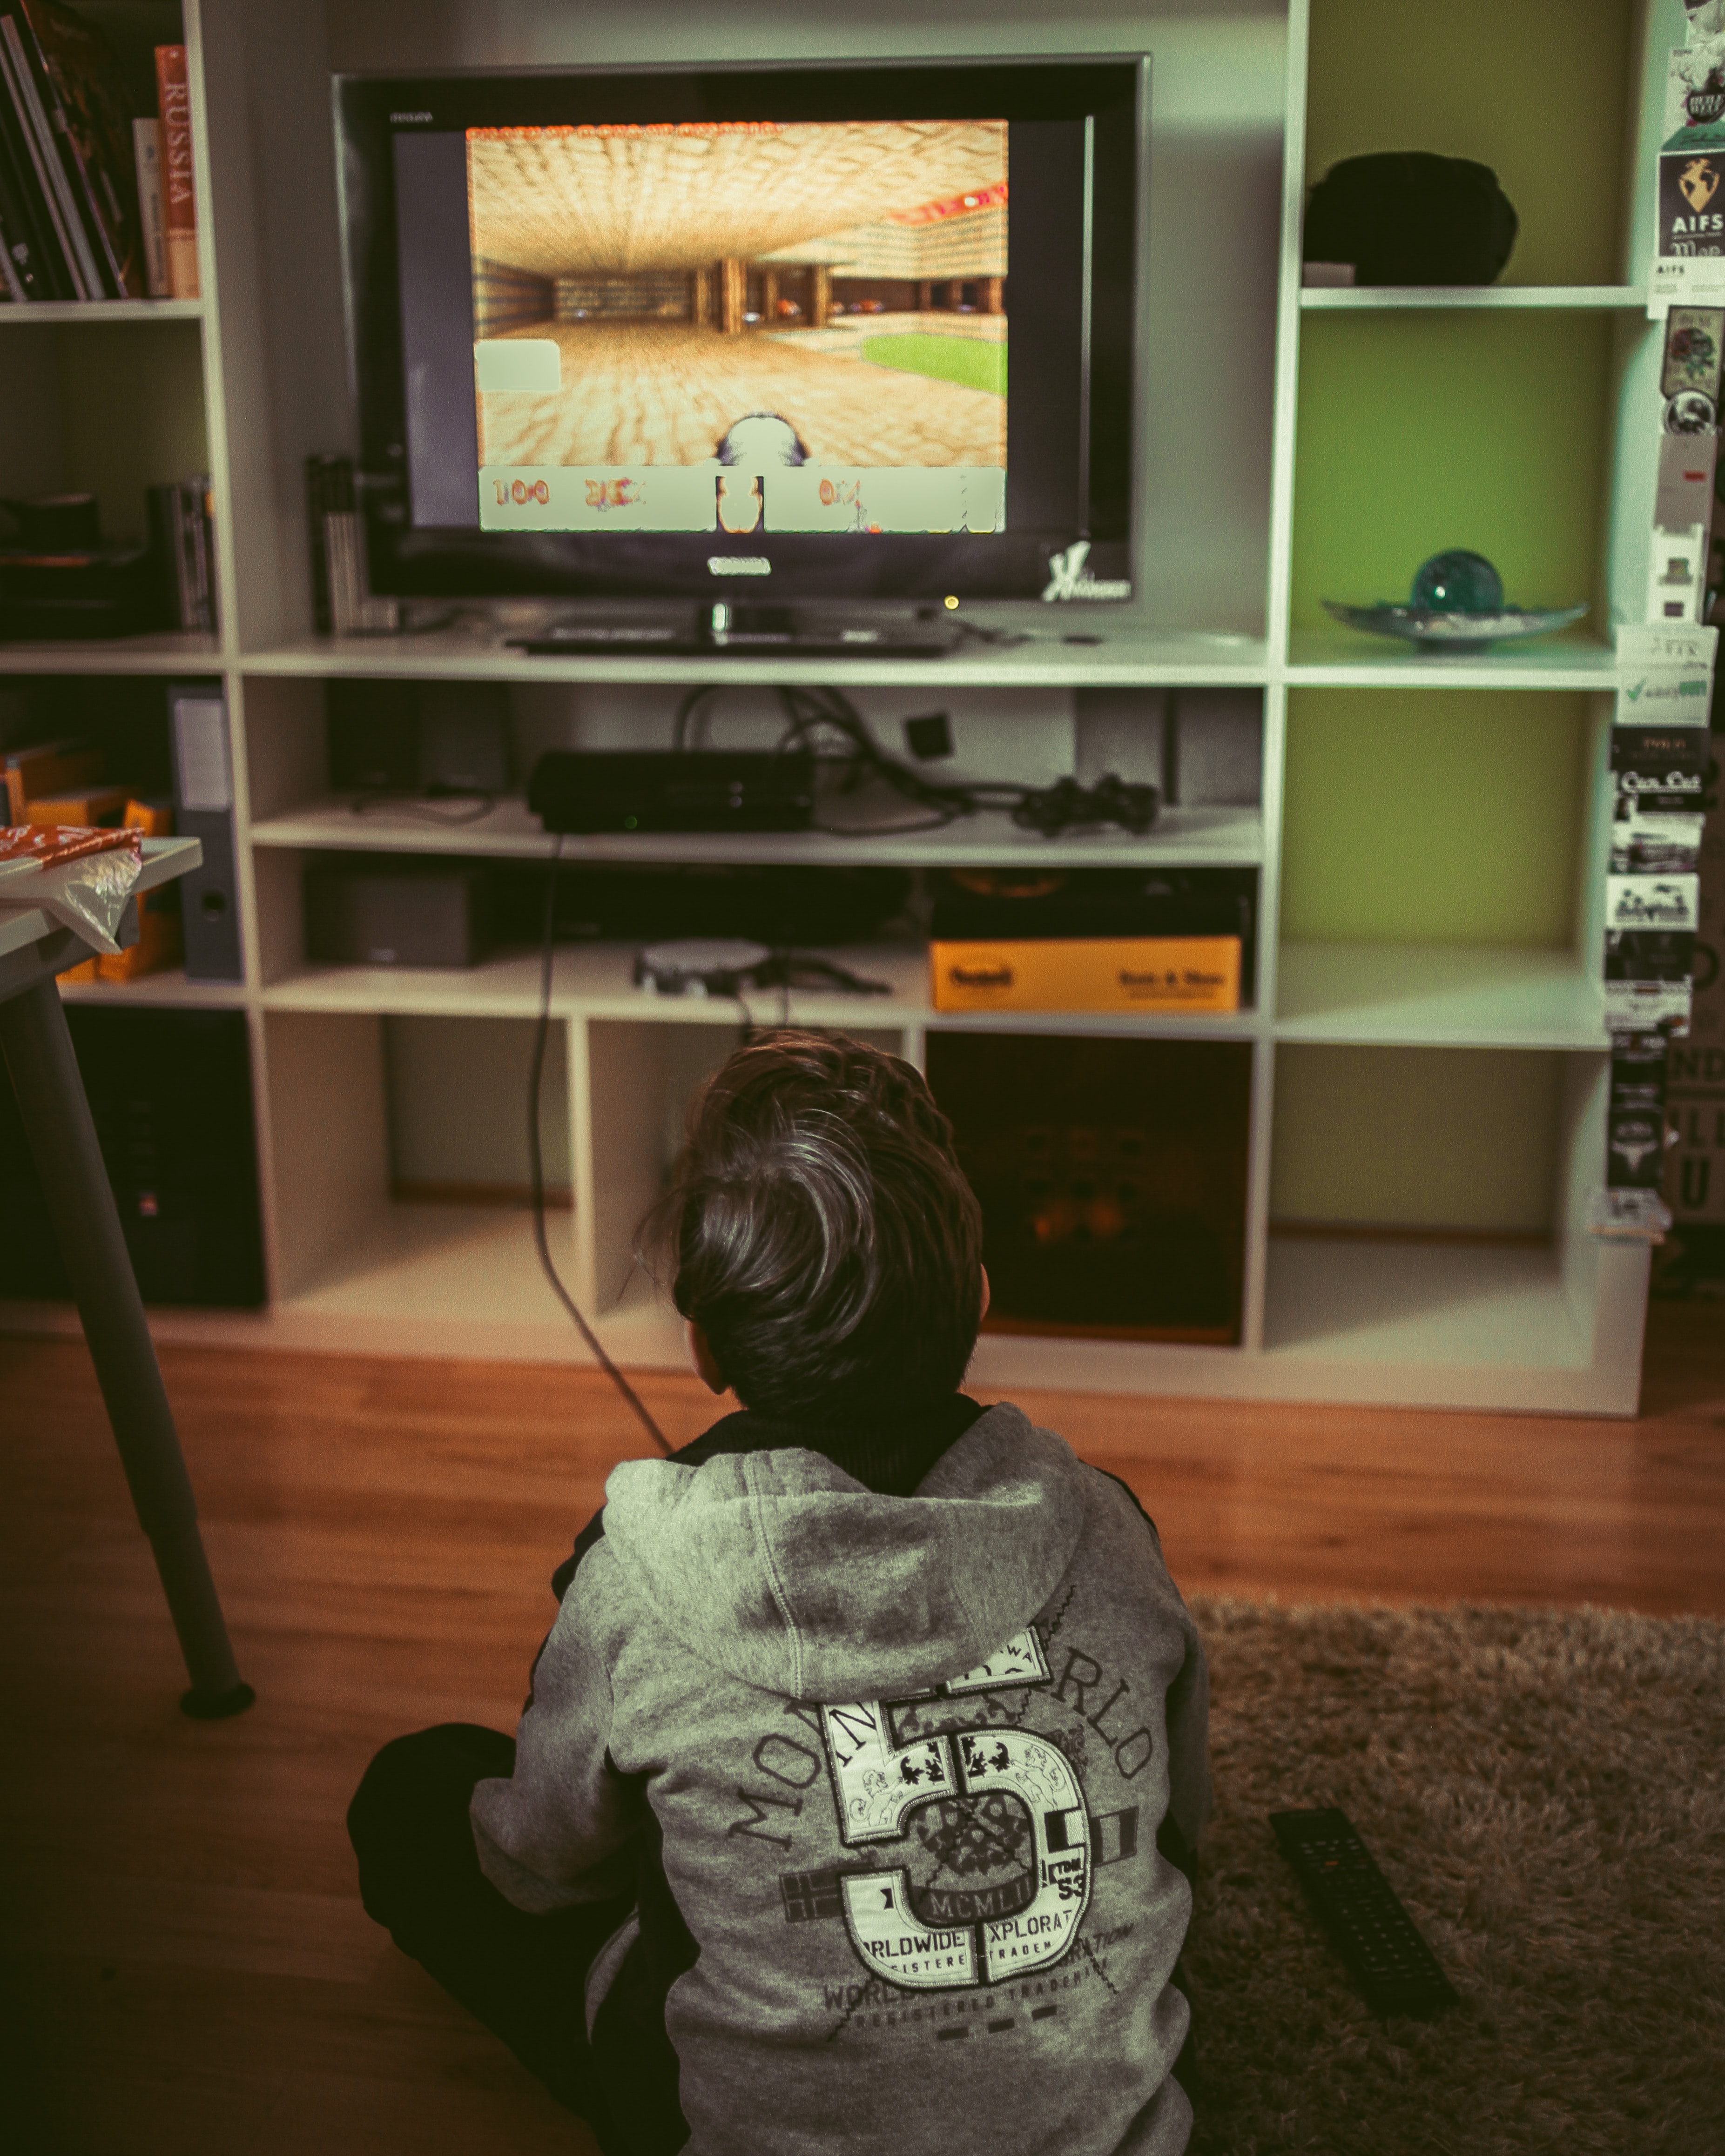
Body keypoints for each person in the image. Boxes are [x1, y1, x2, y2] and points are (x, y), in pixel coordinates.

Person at [349, 1030, 1210, 2155]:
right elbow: (1180, 1827)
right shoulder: (1106, 1524)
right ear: (981, 1294)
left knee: (415, 1792)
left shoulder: (636, 1572)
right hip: (1119, 2136)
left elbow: (544, 1870)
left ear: (704, 1343)